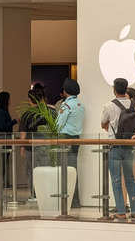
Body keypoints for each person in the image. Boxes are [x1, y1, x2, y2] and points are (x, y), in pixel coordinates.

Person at [101, 78, 135, 219]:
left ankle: (121, 211)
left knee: (116, 179)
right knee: (130, 178)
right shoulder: (133, 104)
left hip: (115, 145)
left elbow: (103, 123)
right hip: (129, 145)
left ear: (114, 89)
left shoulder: (108, 106)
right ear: (126, 89)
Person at [56, 78, 85, 208]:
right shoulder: (80, 104)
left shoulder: (66, 105)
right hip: (76, 139)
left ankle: (68, 200)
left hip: (65, 138)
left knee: (65, 170)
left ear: (66, 91)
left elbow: (58, 124)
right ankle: (75, 201)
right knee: (73, 170)